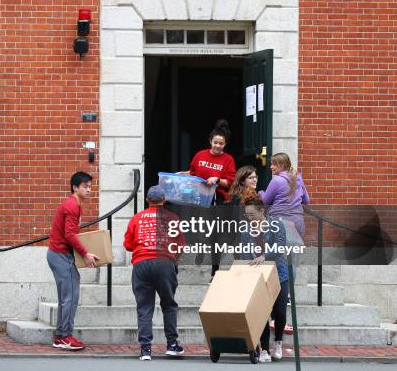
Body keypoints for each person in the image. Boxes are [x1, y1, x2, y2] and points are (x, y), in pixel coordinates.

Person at [123, 186, 186, 361]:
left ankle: (145, 350)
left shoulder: (136, 218)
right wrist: (173, 259)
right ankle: (172, 345)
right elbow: (180, 245)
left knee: (144, 307)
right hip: (165, 262)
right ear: (164, 200)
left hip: (141, 263)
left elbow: (128, 245)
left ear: (147, 201)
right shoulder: (172, 218)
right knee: (169, 304)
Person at [47, 172, 99, 350]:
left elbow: (70, 233)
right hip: (61, 255)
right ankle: (64, 337)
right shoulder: (72, 206)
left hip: (60, 255)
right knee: (70, 298)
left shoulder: (74, 204)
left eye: (90, 186)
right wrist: (85, 253)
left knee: (67, 298)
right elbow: (69, 234)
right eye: (85, 186)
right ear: (75, 187)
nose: (89, 189)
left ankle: (61, 336)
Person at [178, 119, 236, 276]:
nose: (218, 146)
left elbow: (230, 182)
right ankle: (200, 250)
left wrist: (217, 180)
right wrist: (181, 175)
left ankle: (214, 269)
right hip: (199, 199)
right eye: (215, 142)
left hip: (218, 201)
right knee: (199, 228)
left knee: (214, 235)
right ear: (210, 141)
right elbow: (193, 174)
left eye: (221, 144)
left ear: (225, 144)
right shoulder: (200, 155)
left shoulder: (228, 159)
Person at [240, 193, 289, 362]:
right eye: (247, 215)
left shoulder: (276, 225)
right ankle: (265, 349)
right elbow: (243, 250)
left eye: (252, 214)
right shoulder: (247, 230)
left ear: (262, 211)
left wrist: (264, 256)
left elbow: (280, 247)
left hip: (278, 274)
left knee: (280, 313)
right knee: (262, 314)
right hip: (257, 276)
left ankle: (278, 341)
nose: (249, 218)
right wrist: (246, 261)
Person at [258, 152, 310, 240]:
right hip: (298, 223)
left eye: (273, 164)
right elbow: (306, 200)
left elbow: (266, 201)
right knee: (292, 251)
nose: (271, 167)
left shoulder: (277, 181)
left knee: (277, 252)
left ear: (281, 165)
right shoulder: (298, 177)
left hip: (279, 223)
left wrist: (261, 193)